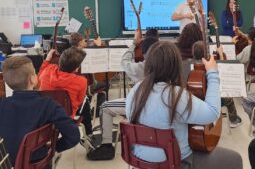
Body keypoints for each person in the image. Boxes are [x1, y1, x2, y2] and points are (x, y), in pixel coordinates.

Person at [126, 41, 242, 169]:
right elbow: (213, 112)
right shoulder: (176, 96)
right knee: (235, 159)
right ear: (175, 66)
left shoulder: (135, 91)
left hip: (139, 162)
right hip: (176, 162)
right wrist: (213, 73)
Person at [86, 32, 159, 160]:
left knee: (104, 107)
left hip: (141, 104)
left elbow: (124, 61)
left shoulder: (140, 68)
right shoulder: (167, 65)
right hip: (160, 106)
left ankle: (107, 146)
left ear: (143, 52)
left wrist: (133, 44)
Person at [0, 56, 80, 166]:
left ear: (6, 81)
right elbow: (73, 136)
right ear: (33, 79)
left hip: (5, 163)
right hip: (37, 164)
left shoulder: (2, 105)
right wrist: (54, 147)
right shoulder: (49, 106)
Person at [183, 41, 243, 128]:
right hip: (209, 103)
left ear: (193, 53)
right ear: (207, 52)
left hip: (192, 102)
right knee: (229, 99)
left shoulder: (187, 64)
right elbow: (223, 72)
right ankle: (234, 120)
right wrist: (221, 55)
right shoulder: (211, 66)